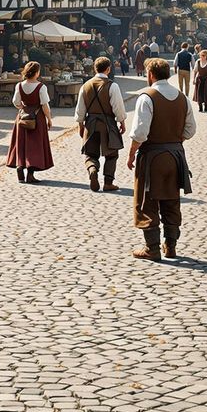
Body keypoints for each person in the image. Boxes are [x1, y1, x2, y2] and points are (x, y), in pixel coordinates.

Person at [126, 58, 196, 260]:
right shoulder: (183, 98)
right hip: (175, 157)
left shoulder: (146, 97)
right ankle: (171, 246)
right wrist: (174, 140)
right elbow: (190, 129)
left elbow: (140, 133)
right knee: (172, 201)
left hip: (152, 156)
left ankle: (152, 248)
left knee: (148, 201)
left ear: (150, 74)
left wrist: (131, 155)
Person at [76, 57, 125, 192]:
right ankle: (108, 183)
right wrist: (122, 121)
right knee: (112, 154)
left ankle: (92, 169)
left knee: (91, 154)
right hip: (107, 123)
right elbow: (118, 107)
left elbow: (80, 109)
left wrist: (81, 125)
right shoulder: (112, 86)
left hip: (90, 123)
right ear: (108, 69)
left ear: (94, 68)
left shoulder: (85, 86)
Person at [8, 61, 54, 184]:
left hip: (23, 117)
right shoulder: (41, 87)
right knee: (34, 145)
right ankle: (30, 174)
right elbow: (45, 105)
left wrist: (22, 107)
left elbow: (15, 102)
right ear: (37, 73)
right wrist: (49, 119)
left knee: (21, 143)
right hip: (37, 117)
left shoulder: (19, 85)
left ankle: (20, 167)